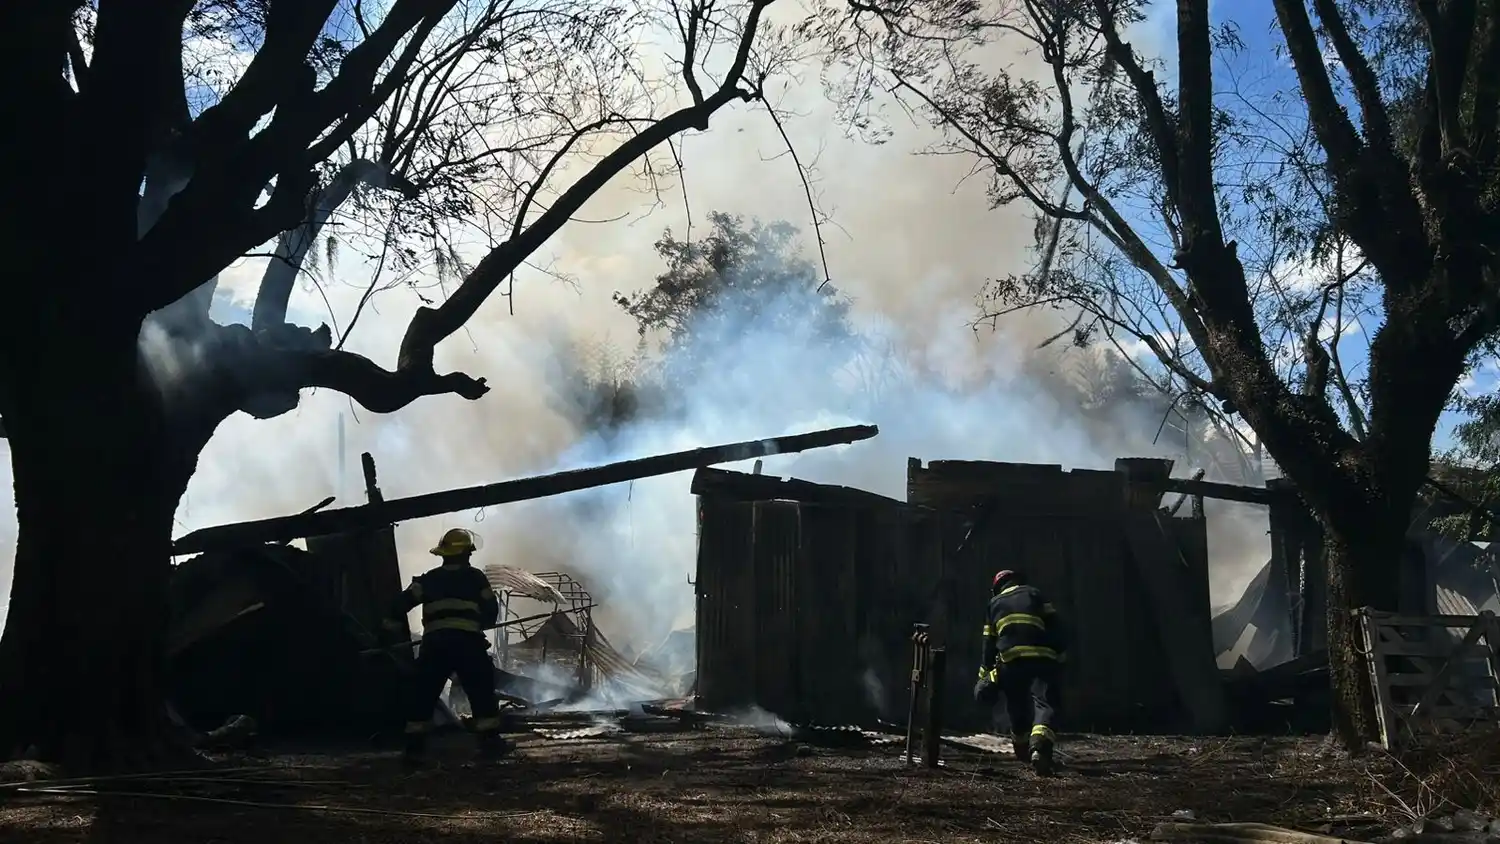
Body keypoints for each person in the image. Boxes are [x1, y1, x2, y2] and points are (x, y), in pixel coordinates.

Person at [382, 527, 511, 764]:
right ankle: (490, 743)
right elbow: (491, 611)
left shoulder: (429, 579)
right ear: (467, 554)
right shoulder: (476, 578)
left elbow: (400, 603)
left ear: (444, 554)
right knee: (481, 691)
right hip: (468, 644)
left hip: (435, 644)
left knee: (423, 694)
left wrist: (390, 628)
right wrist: (477, 625)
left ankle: (415, 748)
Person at [973, 569, 1068, 775]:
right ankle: (1039, 749)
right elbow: (1055, 625)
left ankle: (1022, 749)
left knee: (1016, 703)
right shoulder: (1035, 594)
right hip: (1041, 658)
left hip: (1011, 660)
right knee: (1045, 703)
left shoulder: (994, 603)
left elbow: (988, 643)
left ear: (997, 587)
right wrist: (1060, 653)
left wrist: (985, 676)